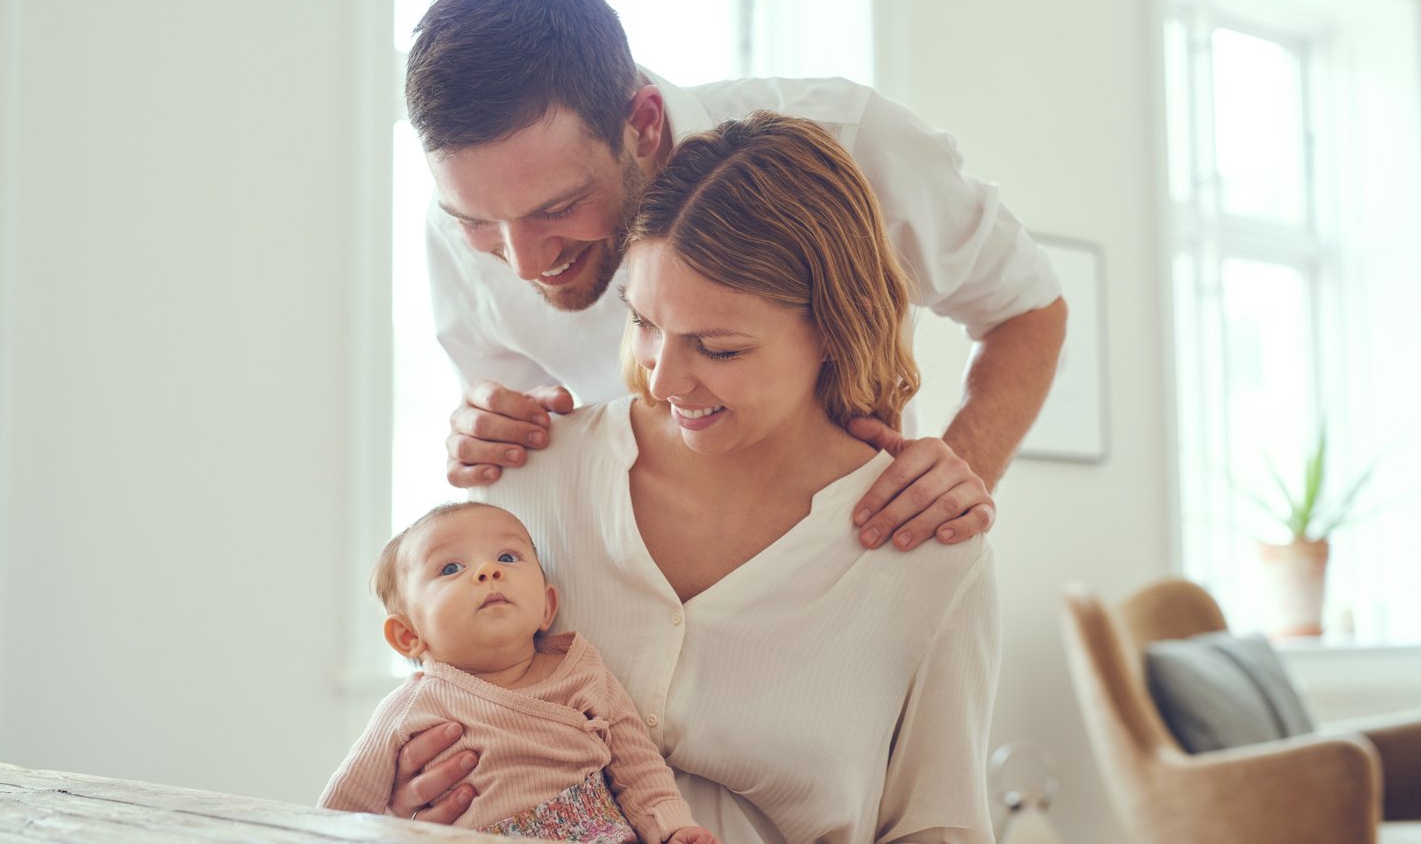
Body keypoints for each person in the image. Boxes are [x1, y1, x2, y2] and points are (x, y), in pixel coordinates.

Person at [392, 114, 1000, 842]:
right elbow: (432, 715)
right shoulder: (523, 481)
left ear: (835, 330)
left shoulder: (931, 556)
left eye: (718, 346)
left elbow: (941, 827)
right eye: (645, 323)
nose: (665, 378)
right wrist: (406, 799)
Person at [410, 0, 1067, 553]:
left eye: (557, 207)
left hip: (844, 561)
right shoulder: (458, 237)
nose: (523, 264)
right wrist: (488, 426)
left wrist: (959, 470)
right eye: (476, 220)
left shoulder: (854, 144)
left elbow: (1027, 308)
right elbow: (525, 434)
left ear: (641, 122)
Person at [319, 501, 719, 844]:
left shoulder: (582, 672)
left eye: (507, 558)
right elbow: (341, 808)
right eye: (451, 567)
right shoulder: (413, 706)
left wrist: (672, 828)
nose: (488, 571)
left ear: (546, 607)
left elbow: (638, 768)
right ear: (408, 634)